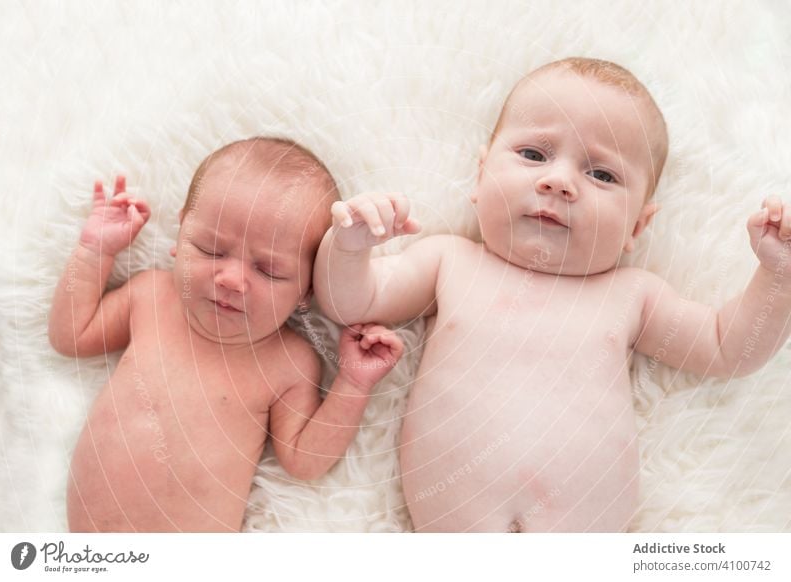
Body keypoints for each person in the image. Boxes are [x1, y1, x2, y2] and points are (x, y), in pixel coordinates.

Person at [313, 58, 791, 532]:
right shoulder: (450, 262)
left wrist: (776, 277)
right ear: (480, 178)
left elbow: (728, 348)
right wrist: (349, 246)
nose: (558, 181)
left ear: (638, 226)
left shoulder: (630, 295)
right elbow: (350, 303)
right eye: (534, 155)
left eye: (602, 175)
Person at [49, 137, 403, 532]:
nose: (233, 280)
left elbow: (305, 459)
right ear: (181, 236)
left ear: (306, 289)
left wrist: (352, 383)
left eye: (269, 271)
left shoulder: (286, 360)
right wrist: (94, 252)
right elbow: (72, 336)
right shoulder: (151, 297)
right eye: (212, 249)